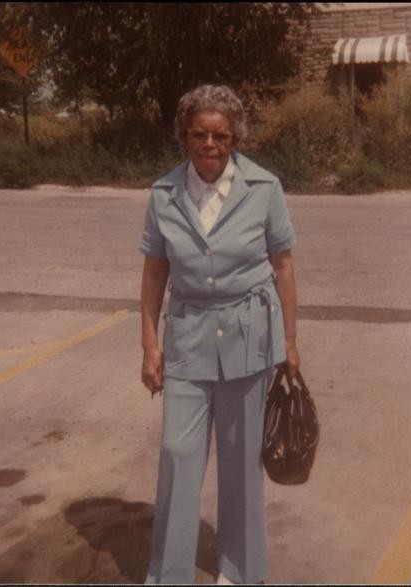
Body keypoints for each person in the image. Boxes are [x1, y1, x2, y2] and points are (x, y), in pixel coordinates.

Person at [139, 84, 299, 585]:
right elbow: (153, 274)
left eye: (220, 135)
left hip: (249, 338)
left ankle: (243, 571)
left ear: (234, 137)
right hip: (187, 338)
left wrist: (290, 342)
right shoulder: (163, 193)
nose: (210, 144)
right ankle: (169, 576)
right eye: (199, 135)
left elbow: (284, 265)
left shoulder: (265, 188)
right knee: (177, 455)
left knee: (241, 461)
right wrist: (149, 346)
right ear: (184, 137)